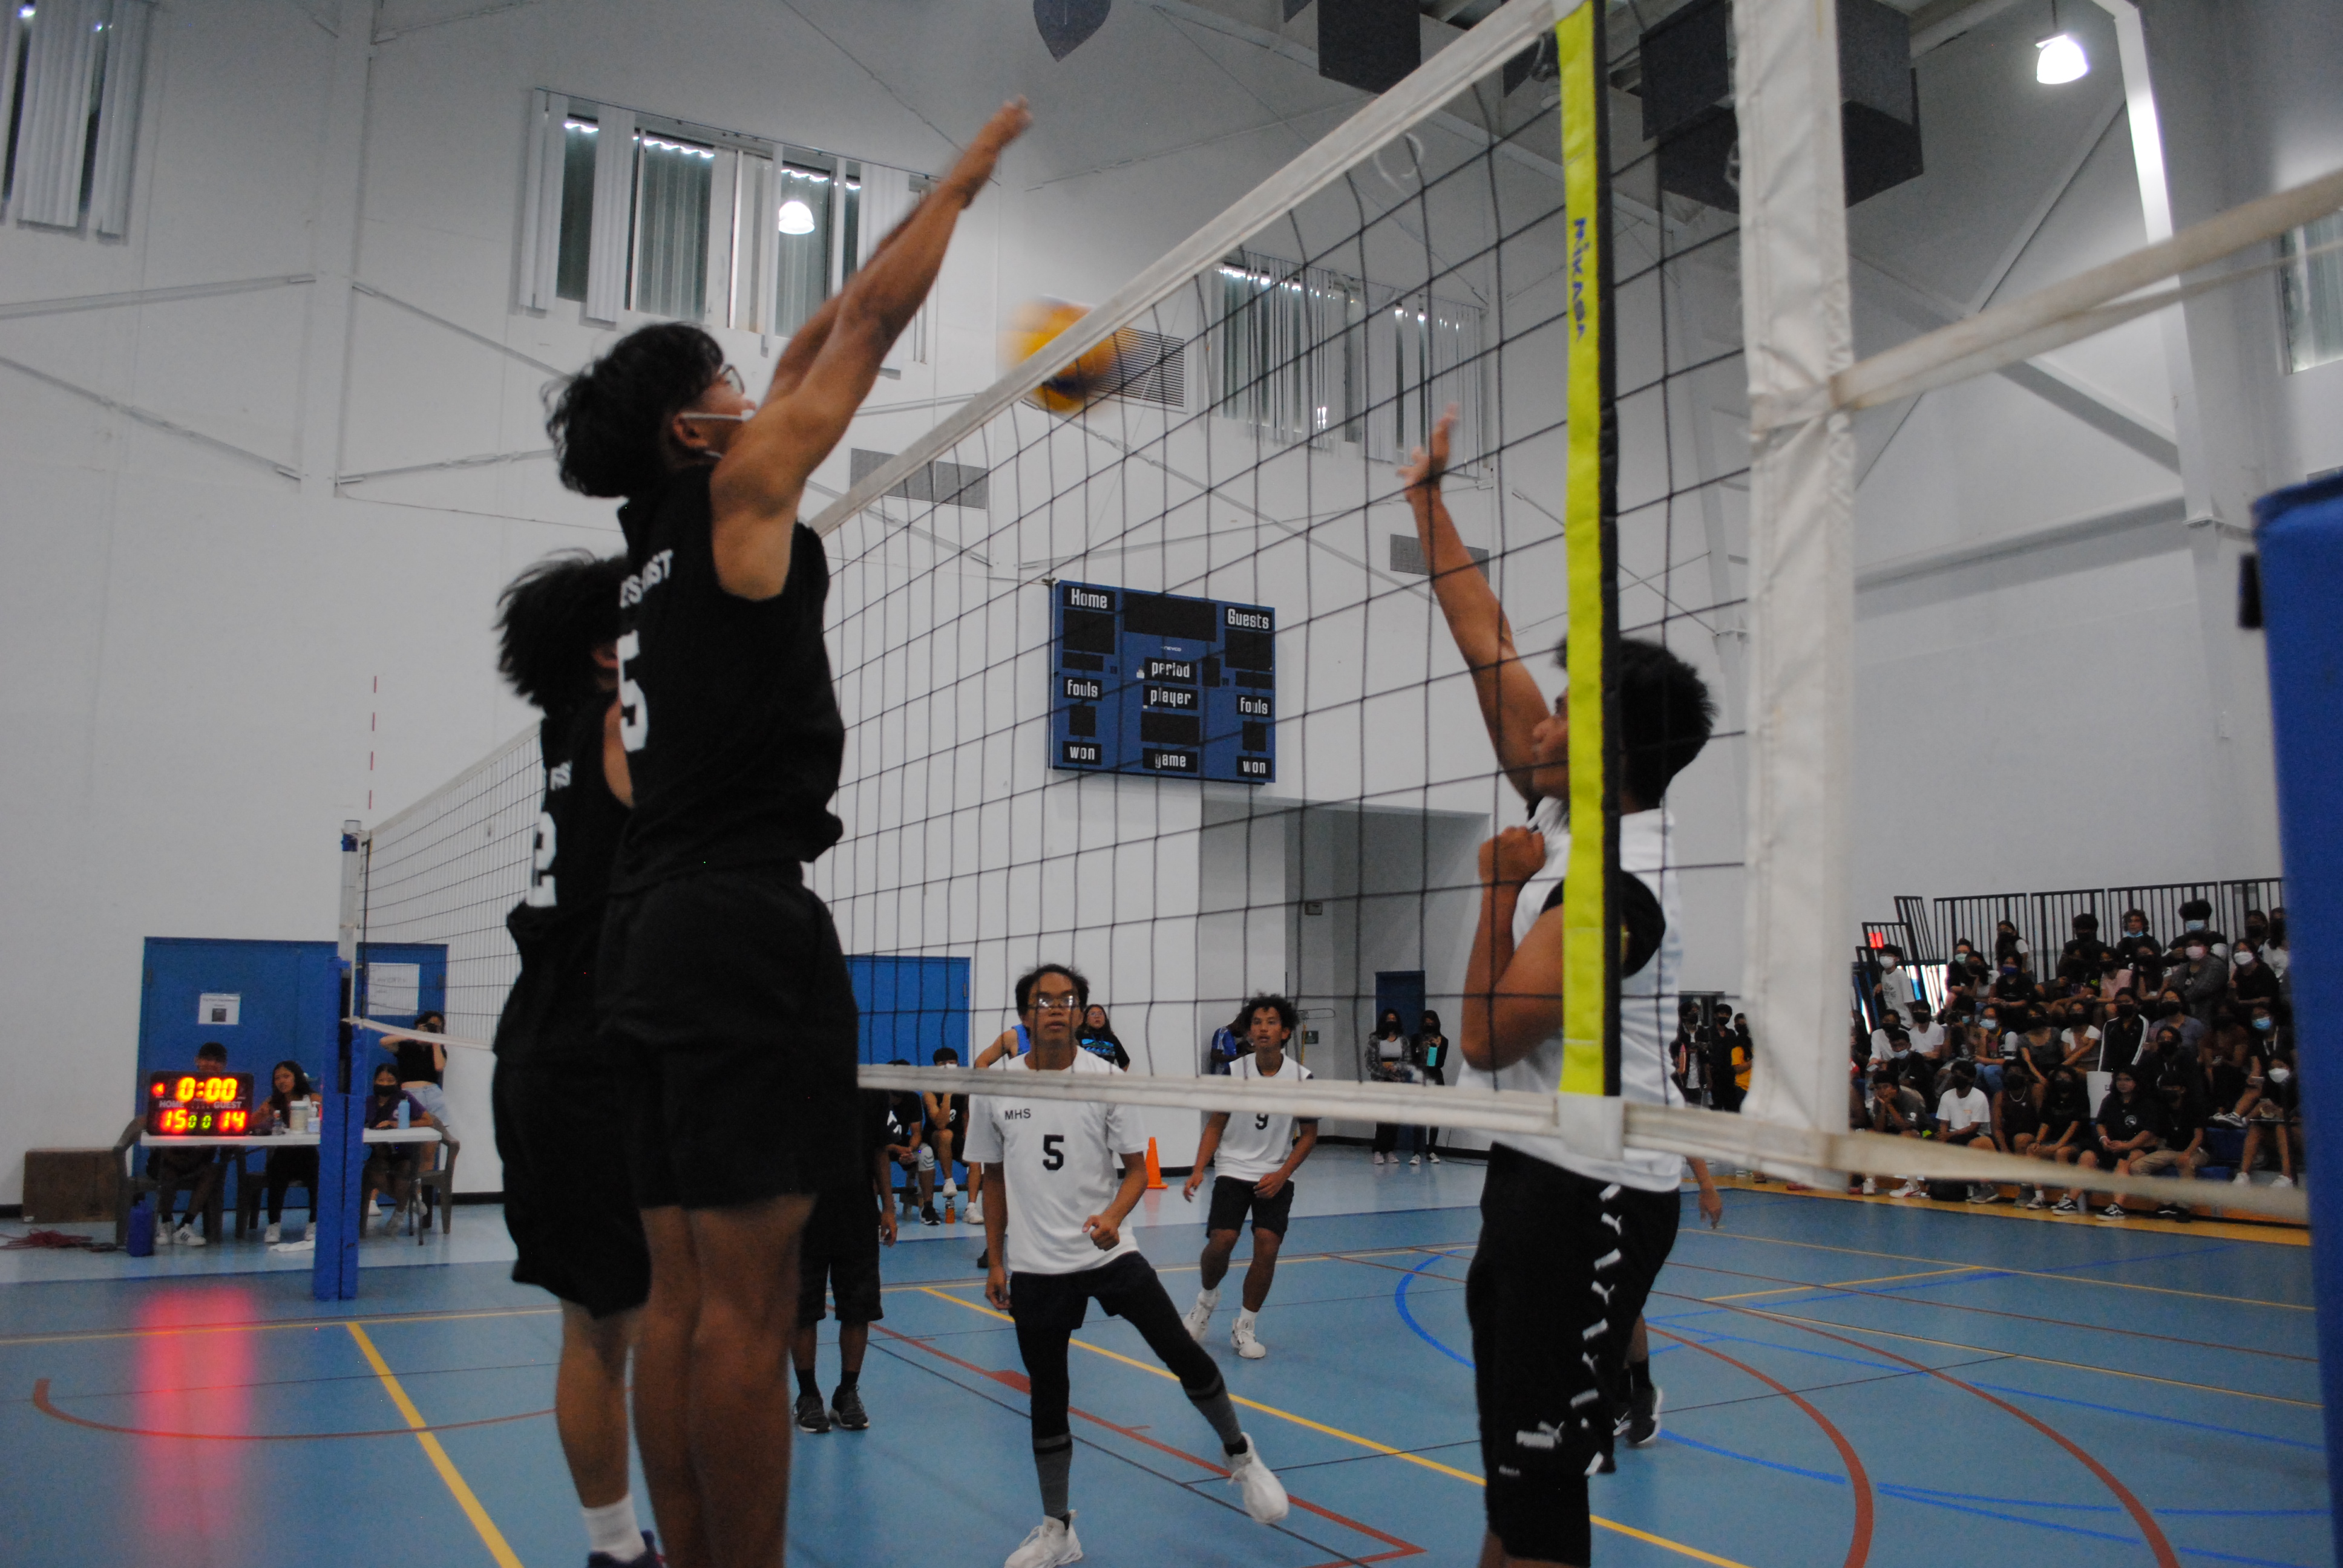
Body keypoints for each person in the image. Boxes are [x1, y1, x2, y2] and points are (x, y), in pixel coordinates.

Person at [555, 102, 1030, 1568]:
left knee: (683, 1307)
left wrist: (885, 230)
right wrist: (955, 189)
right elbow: (869, 332)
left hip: (643, 930)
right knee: (755, 1317)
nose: (756, 390)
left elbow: (828, 322)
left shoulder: (632, 565)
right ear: (691, 426)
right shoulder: (741, 496)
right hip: (740, 924)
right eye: (727, 380)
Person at [1412, 398, 1717, 1568]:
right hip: (1541, 1178)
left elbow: (1483, 1038)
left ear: (1614, 750)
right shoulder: (1573, 806)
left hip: (1590, 1197)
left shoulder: (1614, 886)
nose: (1546, 717)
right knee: (1517, 1499)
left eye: (1574, 704)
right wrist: (1426, 505)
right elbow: (1486, 645)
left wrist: (1495, 890)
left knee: (1539, 1508)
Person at [969, 963, 1287, 1568]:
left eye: (1067, 1000)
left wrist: (1115, 1216)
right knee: (1047, 1395)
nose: (1057, 1008)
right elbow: (990, 1178)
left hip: (1109, 1251)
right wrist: (997, 1257)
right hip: (1036, 1265)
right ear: (1025, 1015)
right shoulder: (996, 1085)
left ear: (1081, 1010)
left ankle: (1242, 1457)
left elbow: (1140, 1170)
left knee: (1181, 1352)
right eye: (1043, 1000)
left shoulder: (1107, 1078)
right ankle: (1058, 1530)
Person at [487, 547, 659, 1568]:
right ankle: (637, 1545)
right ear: (607, 646)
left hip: (540, 1043)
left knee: (592, 1328)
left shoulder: (558, 729)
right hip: (598, 1052)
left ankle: (614, 1544)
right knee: (636, 1328)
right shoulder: (614, 721)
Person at [1180, 995, 1318, 1359]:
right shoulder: (1234, 1071)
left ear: (1285, 1031)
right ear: (1249, 1030)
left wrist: (1282, 1173)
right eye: (1257, 1022)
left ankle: (1245, 1326)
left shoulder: (1302, 1079)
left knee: (1267, 1247)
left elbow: (1309, 1135)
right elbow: (1216, 1124)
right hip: (1233, 1168)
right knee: (1222, 1242)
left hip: (1275, 1173)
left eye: (1271, 1022)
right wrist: (1197, 1169)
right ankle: (1205, 1303)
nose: (1263, 1028)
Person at [794, 1088, 897, 1436]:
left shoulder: (870, 1090)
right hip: (801, 1218)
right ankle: (808, 1395)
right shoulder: (786, 1084)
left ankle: (846, 1393)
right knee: (803, 1311)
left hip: (856, 1216)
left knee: (859, 1308)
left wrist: (889, 1207)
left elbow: (878, 1150)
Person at [151, 1040, 231, 1247]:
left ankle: (186, 1225)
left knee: (212, 1171)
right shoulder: (175, 1086)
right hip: (169, 1156)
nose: (212, 1064)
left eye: (218, 1061)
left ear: (224, 1065)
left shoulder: (228, 1095)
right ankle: (166, 1223)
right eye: (207, 1059)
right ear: (197, 1061)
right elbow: (155, 1121)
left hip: (201, 1159)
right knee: (167, 1170)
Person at [2073, 1068, 2165, 1219]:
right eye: (2119, 1080)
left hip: (2139, 1146)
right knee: (2087, 1156)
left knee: (2123, 1161)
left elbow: (2149, 1132)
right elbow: (2100, 1123)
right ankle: (2071, 1200)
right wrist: (2104, 1139)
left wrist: (2128, 1145)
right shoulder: (2110, 1100)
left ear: (2136, 1082)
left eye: (2127, 1080)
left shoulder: (2148, 1103)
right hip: (2113, 1144)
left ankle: (2118, 1206)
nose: (2122, 1083)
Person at [359, 1062, 439, 1235]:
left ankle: (399, 1212)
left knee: (405, 1172)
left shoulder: (405, 1099)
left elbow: (428, 1120)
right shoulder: (368, 1102)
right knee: (373, 1173)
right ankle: (409, 1200)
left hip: (404, 1152)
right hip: (380, 1154)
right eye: (381, 1080)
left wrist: (396, 1124)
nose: (385, 1084)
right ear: (374, 1081)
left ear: (397, 1082)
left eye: (390, 1080)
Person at [260, 1060, 321, 1244]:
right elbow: (252, 1122)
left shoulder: (313, 1098)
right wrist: (262, 1115)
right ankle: (273, 1225)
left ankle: (314, 1223)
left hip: (307, 1154)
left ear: (297, 1078)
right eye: (277, 1078)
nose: (282, 1081)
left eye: (286, 1076)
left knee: (318, 1178)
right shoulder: (273, 1101)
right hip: (283, 1155)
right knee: (276, 1177)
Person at [881, 1071, 939, 1226]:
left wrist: (909, 1150)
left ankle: (928, 1207)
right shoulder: (876, 1099)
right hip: (881, 1148)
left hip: (904, 1148)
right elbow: (869, 1137)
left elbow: (916, 1133)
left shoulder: (912, 1098)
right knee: (871, 1156)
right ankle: (877, 1209)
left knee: (925, 1152)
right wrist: (896, 1148)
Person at [921, 1047, 969, 1224]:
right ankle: (948, 1182)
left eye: (951, 1063)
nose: (948, 1067)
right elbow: (940, 1123)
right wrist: (948, 1094)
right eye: (943, 1064)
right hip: (931, 1141)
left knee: (978, 1152)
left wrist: (968, 1134)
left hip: (956, 1138)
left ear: (957, 1064)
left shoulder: (965, 1088)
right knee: (943, 1136)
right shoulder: (930, 1091)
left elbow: (967, 1113)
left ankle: (972, 1206)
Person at [381, 1010, 452, 1128]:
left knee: (437, 1128)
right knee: (408, 1126)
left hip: (432, 1092)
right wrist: (415, 1034)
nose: (431, 1028)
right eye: (429, 1025)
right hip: (410, 1092)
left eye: (436, 1026)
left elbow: (439, 1067)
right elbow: (384, 1042)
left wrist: (435, 1039)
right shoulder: (407, 1047)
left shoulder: (437, 1049)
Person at [1366, 1009, 1410, 1165]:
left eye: (1394, 1019)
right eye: (1388, 1019)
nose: (1391, 1021)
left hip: (1398, 1082)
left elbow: (1407, 1061)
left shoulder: (1403, 1040)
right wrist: (1385, 1071)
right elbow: (1370, 1063)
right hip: (1381, 1082)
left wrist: (1397, 1067)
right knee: (1383, 1118)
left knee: (1394, 1119)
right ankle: (1378, 1151)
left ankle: (1390, 1151)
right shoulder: (1375, 1040)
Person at [1414, 1009, 1450, 1156]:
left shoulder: (1444, 1041)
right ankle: (1416, 1152)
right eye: (1427, 1023)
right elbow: (1415, 1061)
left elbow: (1438, 1064)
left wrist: (1434, 1048)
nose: (1429, 1026)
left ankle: (1432, 1150)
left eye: (1432, 1023)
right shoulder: (1416, 1038)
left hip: (1435, 1079)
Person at [1075, 1005, 1130, 1069]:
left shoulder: (1111, 1038)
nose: (1097, 1016)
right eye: (1093, 1014)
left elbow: (1125, 1062)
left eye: (1100, 1014)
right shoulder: (1079, 1036)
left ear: (1105, 1019)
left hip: (1106, 1078)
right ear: (1086, 1019)